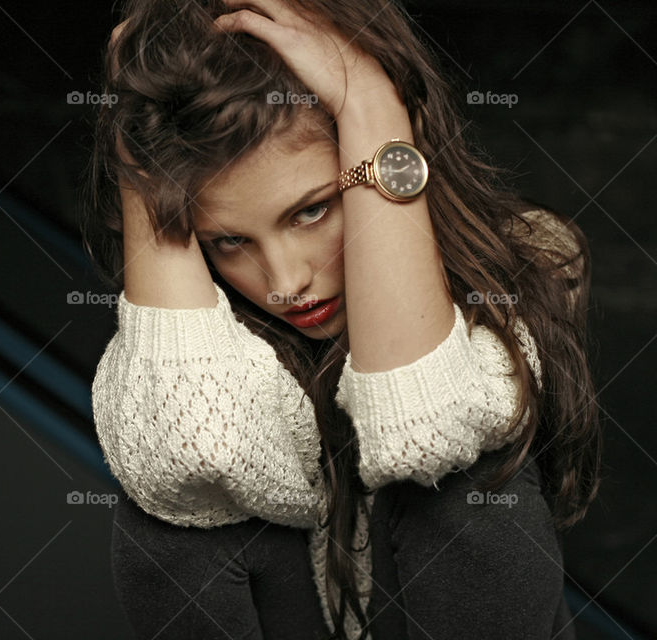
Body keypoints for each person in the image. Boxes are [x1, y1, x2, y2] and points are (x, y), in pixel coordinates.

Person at [82, 1, 602, 638]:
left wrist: (370, 106)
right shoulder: (212, 330)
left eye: (311, 212)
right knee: (173, 514)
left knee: (462, 490)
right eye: (229, 242)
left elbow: (427, 435)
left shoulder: (529, 262)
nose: (285, 282)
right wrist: (139, 159)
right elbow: (195, 452)